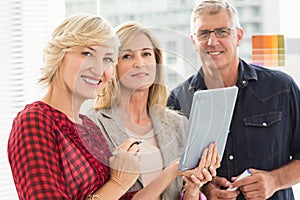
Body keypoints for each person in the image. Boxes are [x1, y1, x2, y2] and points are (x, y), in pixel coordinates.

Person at [167, 0, 300, 199]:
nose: (212, 42)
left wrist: (275, 181)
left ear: (238, 36)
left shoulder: (281, 88)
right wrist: (205, 189)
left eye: (222, 31)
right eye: (204, 34)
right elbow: (170, 174)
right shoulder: (177, 100)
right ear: (193, 41)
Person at [7, 14, 142, 200]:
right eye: (87, 53)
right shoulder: (34, 122)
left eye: (108, 59)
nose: (98, 69)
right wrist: (119, 182)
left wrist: (174, 174)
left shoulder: (89, 127)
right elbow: (115, 189)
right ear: (59, 55)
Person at [87, 21, 220, 199]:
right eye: (127, 56)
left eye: (146, 54)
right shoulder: (92, 125)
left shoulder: (179, 124)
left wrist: (193, 188)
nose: (139, 63)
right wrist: (172, 171)